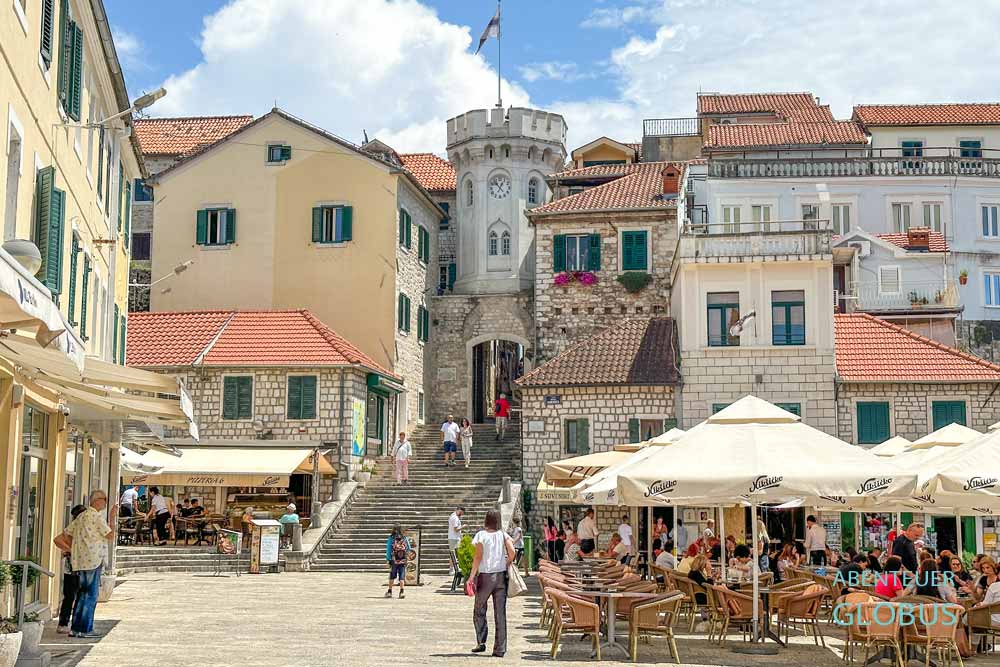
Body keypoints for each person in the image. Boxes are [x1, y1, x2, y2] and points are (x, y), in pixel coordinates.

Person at [53, 490, 118, 638]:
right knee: (90, 596)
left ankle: (76, 629)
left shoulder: (81, 516)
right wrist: (112, 518)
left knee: (82, 595)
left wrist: (75, 548)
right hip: (93, 560)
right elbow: (110, 535)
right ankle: (84, 629)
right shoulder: (96, 516)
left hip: (80, 562)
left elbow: (65, 535)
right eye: (104, 499)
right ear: (97, 500)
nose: (105, 503)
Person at [470, 509, 515, 657]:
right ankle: (500, 648)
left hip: (485, 576)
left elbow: (478, 557)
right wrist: (505, 563)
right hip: (501, 576)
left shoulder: (481, 536)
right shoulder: (503, 535)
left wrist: (471, 577)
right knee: (500, 613)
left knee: (479, 609)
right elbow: (512, 552)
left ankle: (481, 641)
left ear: (486, 520)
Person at [56, 504, 87, 634]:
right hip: (72, 568)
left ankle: (75, 624)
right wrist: (71, 550)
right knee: (70, 596)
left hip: (83, 567)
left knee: (79, 596)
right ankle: (63, 623)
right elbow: (57, 540)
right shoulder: (73, 528)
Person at [385, 524, 412, 599]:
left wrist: (388, 559)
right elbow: (409, 548)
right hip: (402, 560)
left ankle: (390, 591)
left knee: (392, 576)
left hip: (394, 561)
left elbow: (388, 550)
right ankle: (401, 592)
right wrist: (405, 556)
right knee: (401, 577)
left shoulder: (391, 538)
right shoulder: (404, 538)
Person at [448, 506, 465, 572]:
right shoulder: (454, 517)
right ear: (459, 510)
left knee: (455, 554)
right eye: (461, 512)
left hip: (454, 537)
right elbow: (455, 529)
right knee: (453, 554)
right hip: (454, 538)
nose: (462, 514)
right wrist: (463, 527)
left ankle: (454, 568)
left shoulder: (454, 516)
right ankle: (452, 569)